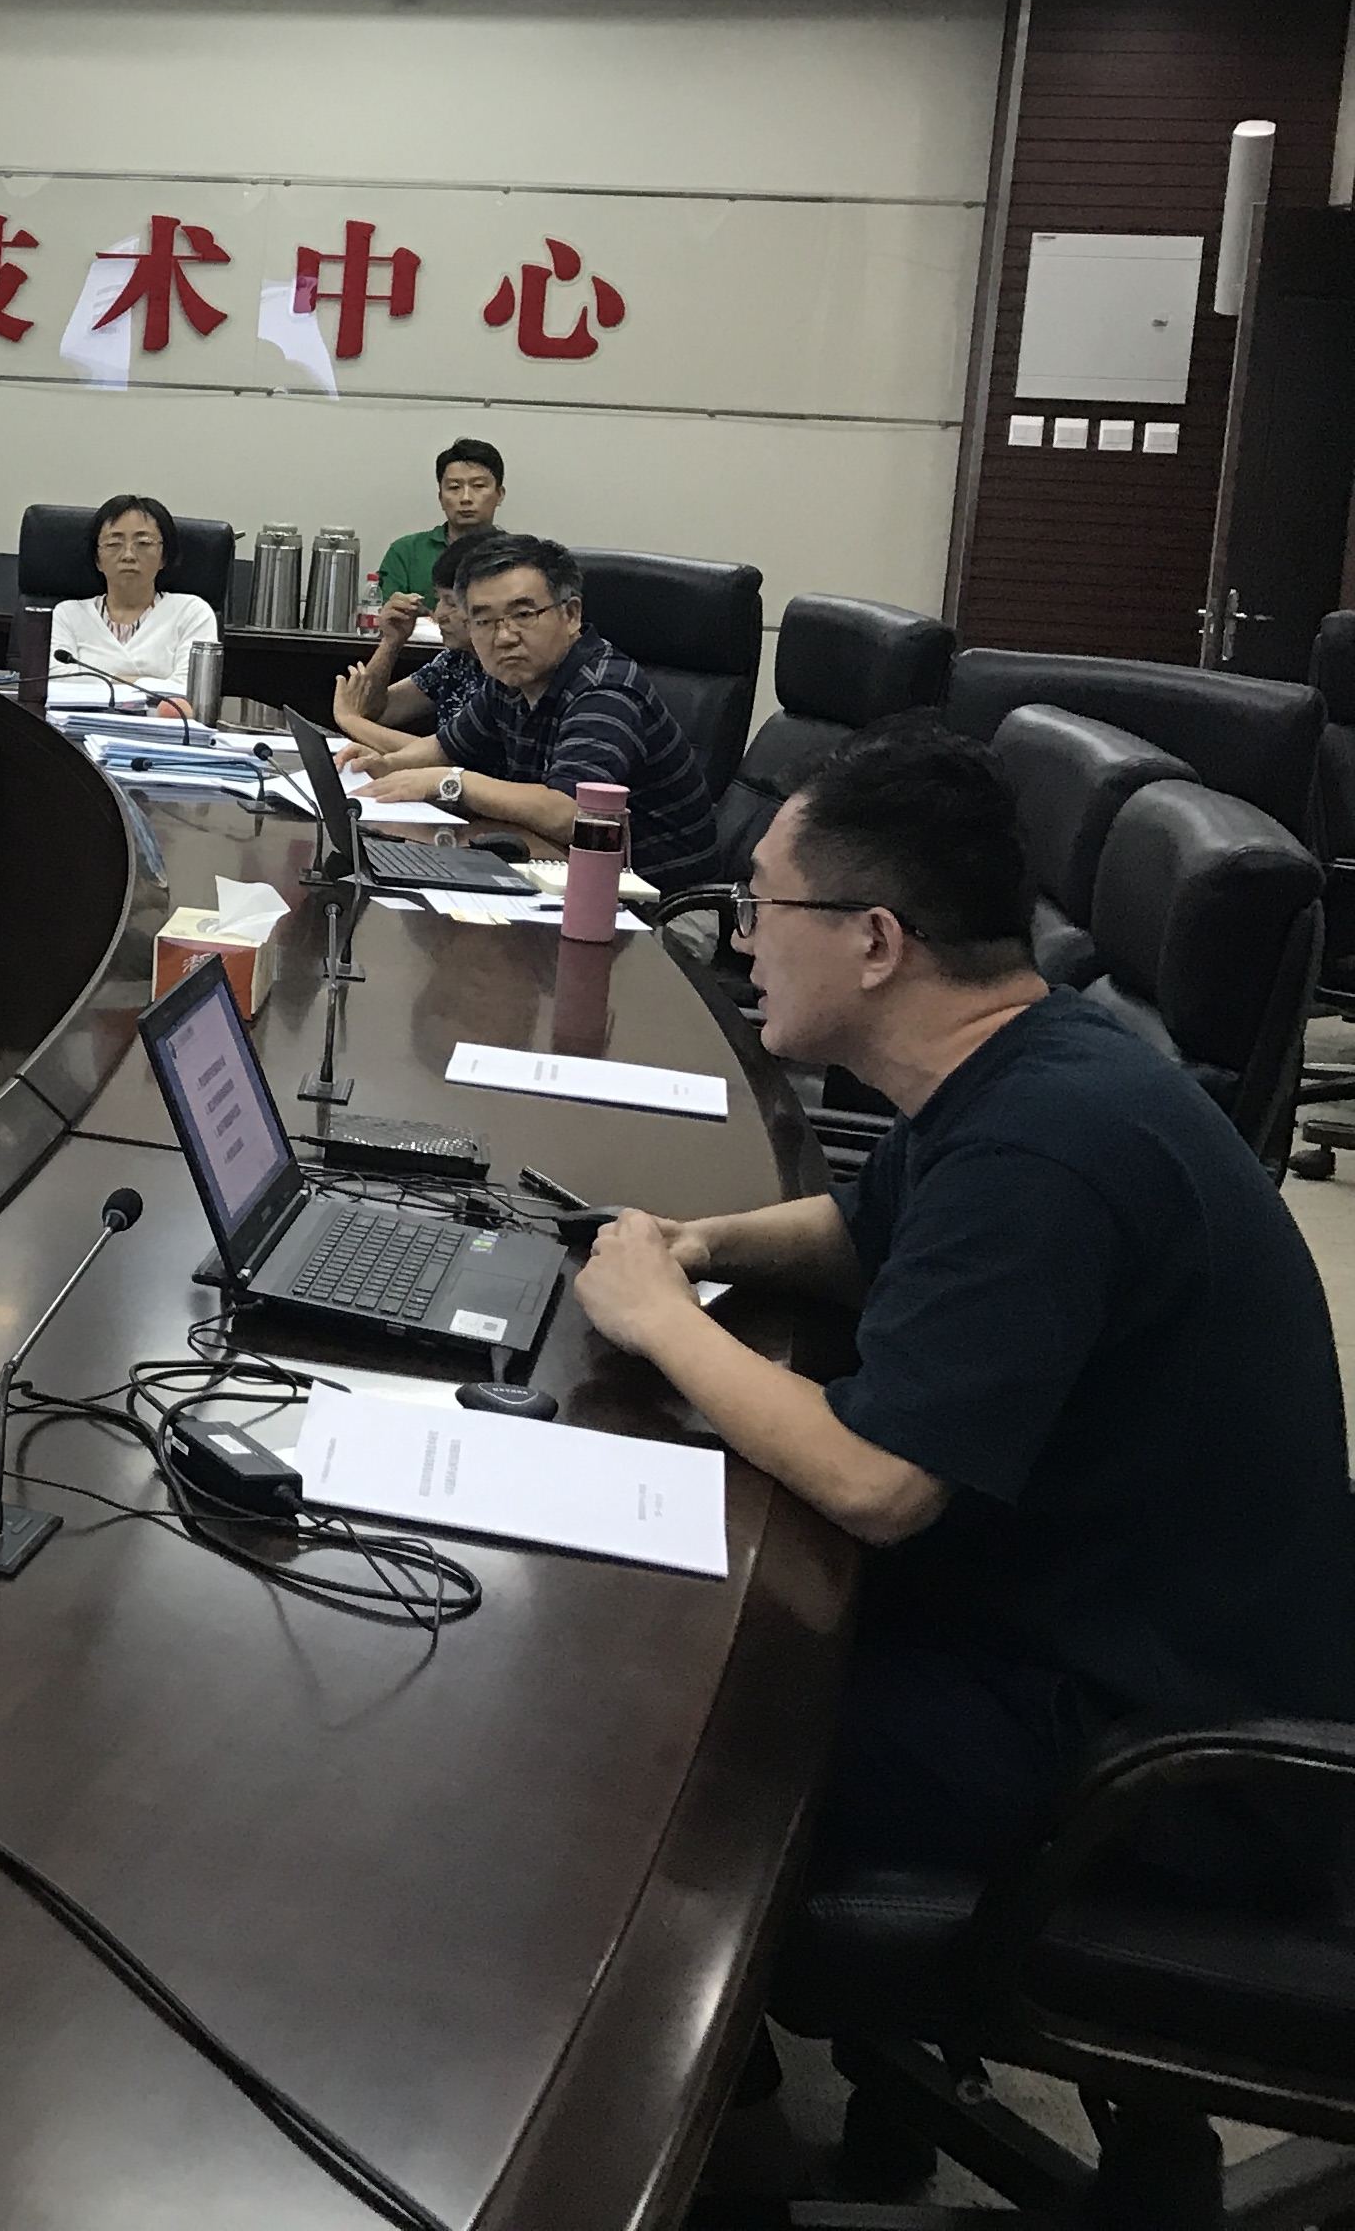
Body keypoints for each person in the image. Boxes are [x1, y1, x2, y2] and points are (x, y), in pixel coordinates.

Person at [572, 720, 1355, 1875]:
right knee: (662, 1603)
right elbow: (864, 1229)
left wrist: (661, 1318)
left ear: (875, 941)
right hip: (1061, 1613)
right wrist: (699, 1243)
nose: (742, 941)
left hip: (1146, 1750)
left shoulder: (1040, 1153)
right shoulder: (1034, 1057)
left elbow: (878, 1483)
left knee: (638, 1725)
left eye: (762, 909)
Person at [341, 530, 721, 887]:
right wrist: (384, 765)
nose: (504, 637)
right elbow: (444, 749)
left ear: (570, 615)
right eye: (484, 620)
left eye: (523, 615)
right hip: (566, 875)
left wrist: (452, 782)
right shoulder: (510, 682)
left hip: (665, 905)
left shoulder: (605, 688)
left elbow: (572, 813)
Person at [335, 437, 505, 746]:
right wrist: (391, 643)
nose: (438, 613)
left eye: (450, 602)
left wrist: (350, 720)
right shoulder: (455, 661)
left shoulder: (508, 672)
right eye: (454, 488)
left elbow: (445, 753)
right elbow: (377, 712)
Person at [48, 491, 218, 709]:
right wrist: (149, 684)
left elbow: (190, 692)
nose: (128, 555)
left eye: (143, 543)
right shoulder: (68, 615)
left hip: (163, 726)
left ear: (164, 557)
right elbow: (58, 686)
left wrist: (106, 682)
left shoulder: (192, 612)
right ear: (97, 559)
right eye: (113, 543)